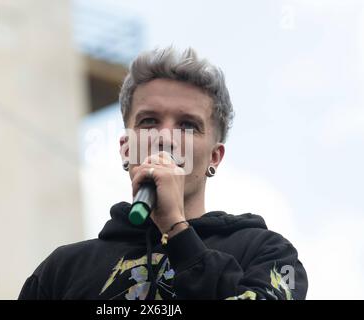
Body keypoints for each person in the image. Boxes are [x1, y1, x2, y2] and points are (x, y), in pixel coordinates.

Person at [18, 47, 308, 300]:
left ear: (214, 157)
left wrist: (176, 229)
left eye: (187, 126)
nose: (165, 137)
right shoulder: (62, 270)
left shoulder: (266, 253)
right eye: (149, 121)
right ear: (126, 149)